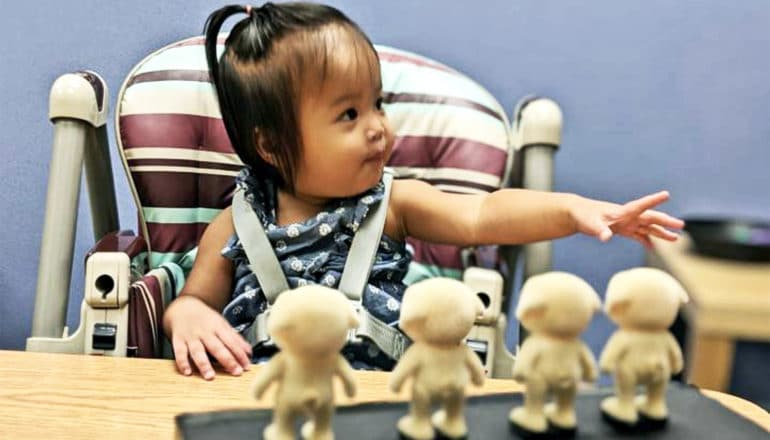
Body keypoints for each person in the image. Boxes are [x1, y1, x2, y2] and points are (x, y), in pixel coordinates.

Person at [162, 2, 684, 380]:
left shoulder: (393, 204)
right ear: (272, 144)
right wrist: (184, 313)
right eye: (349, 114)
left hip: (382, 399)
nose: (377, 127)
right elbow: (196, 299)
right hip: (262, 400)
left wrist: (571, 209)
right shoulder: (237, 222)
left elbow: (482, 215)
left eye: (377, 104)